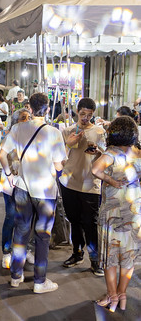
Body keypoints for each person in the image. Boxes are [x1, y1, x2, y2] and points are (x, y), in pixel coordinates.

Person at [0, 92, 67, 294]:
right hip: (45, 190)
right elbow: (58, 165)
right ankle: (39, 281)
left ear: (29, 107)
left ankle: (16, 276)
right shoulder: (53, 132)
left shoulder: (18, 128)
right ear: (47, 109)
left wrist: (10, 172)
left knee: (20, 231)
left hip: (22, 187)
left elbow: (3, 154)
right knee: (42, 236)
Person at [91, 116, 141, 312]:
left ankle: (111, 297)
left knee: (111, 257)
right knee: (128, 257)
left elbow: (95, 169)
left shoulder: (111, 153)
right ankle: (122, 295)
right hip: (134, 212)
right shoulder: (138, 153)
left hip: (112, 214)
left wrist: (110, 181)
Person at [59, 98, 106, 277]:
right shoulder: (67, 131)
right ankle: (77, 253)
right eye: (82, 114)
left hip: (90, 184)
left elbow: (106, 156)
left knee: (90, 222)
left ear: (93, 114)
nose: (85, 118)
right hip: (69, 182)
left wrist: (98, 152)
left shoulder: (99, 131)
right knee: (74, 220)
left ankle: (95, 260)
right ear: (77, 112)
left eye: (89, 115)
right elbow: (60, 157)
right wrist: (69, 143)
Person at [0, 108, 33, 269]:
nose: (27, 120)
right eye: (23, 118)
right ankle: (6, 252)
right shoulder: (9, 136)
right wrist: (11, 173)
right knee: (11, 217)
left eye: (29, 118)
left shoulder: (33, 135)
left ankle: (25, 250)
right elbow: (2, 158)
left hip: (27, 184)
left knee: (26, 220)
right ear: (16, 121)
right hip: (11, 183)